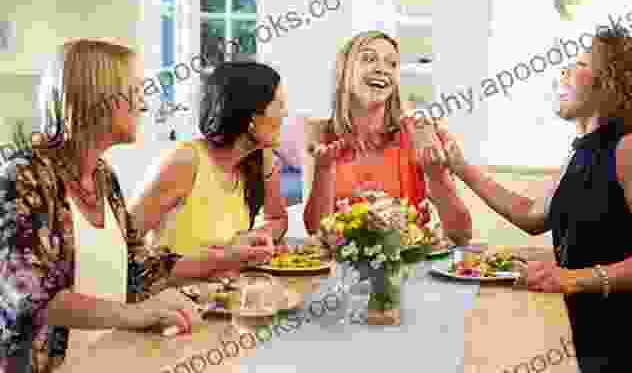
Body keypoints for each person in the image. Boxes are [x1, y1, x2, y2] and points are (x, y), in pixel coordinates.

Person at [0, 40, 273, 373]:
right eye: (134, 90)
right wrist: (137, 313)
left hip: (112, 361)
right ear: (96, 99)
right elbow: (29, 297)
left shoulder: (103, 176)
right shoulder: (24, 176)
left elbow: (138, 267)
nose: (143, 103)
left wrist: (227, 257)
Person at [437, 28, 632, 371]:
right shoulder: (580, 153)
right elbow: (533, 216)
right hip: (585, 325)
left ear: (611, 83)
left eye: (578, 63)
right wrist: (460, 166)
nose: (562, 71)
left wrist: (573, 278)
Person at [303, 30, 472, 245]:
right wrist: (324, 169)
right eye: (369, 59)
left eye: (392, 63)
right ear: (345, 70)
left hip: (410, 268)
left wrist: (438, 177)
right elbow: (315, 230)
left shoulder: (419, 131)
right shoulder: (319, 133)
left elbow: (462, 234)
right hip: (342, 270)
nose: (382, 69)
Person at [129, 61, 289, 258]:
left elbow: (278, 219)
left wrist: (255, 239)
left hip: (227, 286)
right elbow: (124, 241)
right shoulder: (186, 162)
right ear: (252, 116)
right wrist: (227, 253)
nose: (285, 113)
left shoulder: (260, 158)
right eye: (279, 105)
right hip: (176, 288)